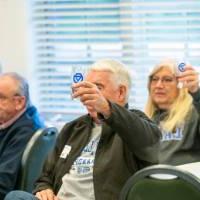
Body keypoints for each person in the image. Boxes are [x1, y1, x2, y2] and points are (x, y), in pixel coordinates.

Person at [5, 59, 160, 200]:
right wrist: (44, 188)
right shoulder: (72, 128)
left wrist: (107, 109)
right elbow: (45, 176)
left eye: (98, 87)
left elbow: (150, 142)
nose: (87, 94)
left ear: (121, 92)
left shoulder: (135, 123)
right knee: (15, 197)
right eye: (86, 87)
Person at [145, 59, 200, 165]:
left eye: (167, 80)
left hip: (185, 179)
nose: (158, 85)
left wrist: (197, 93)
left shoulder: (194, 113)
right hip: (150, 179)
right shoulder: (145, 120)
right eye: (155, 79)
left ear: (181, 85)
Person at [0, 72, 44, 199]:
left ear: (19, 102)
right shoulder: (8, 122)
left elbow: (3, 184)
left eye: (1, 97)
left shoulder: (26, 131)